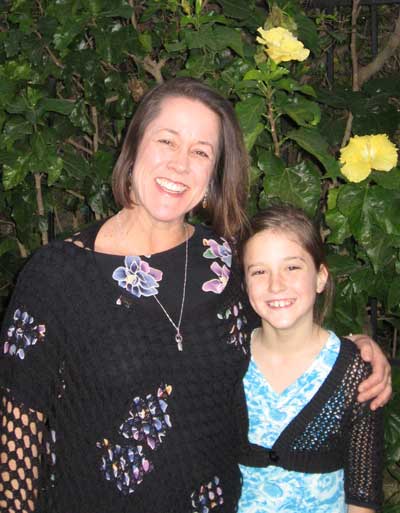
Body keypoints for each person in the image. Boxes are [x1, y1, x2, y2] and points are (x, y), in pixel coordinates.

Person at [0, 78, 390, 513]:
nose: (180, 164)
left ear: (212, 176)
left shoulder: (227, 263)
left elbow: (285, 331)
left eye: (201, 152)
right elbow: (17, 429)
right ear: (133, 148)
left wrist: (357, 351)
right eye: (167, 141)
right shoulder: (58, 273)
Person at [237, 204, 384, 513]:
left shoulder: (353, 372)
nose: (276, 284)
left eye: (292, 267)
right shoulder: (229, 358)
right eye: (259, 271)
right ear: (245, 283)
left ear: (320, 277)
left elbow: (363, 495)